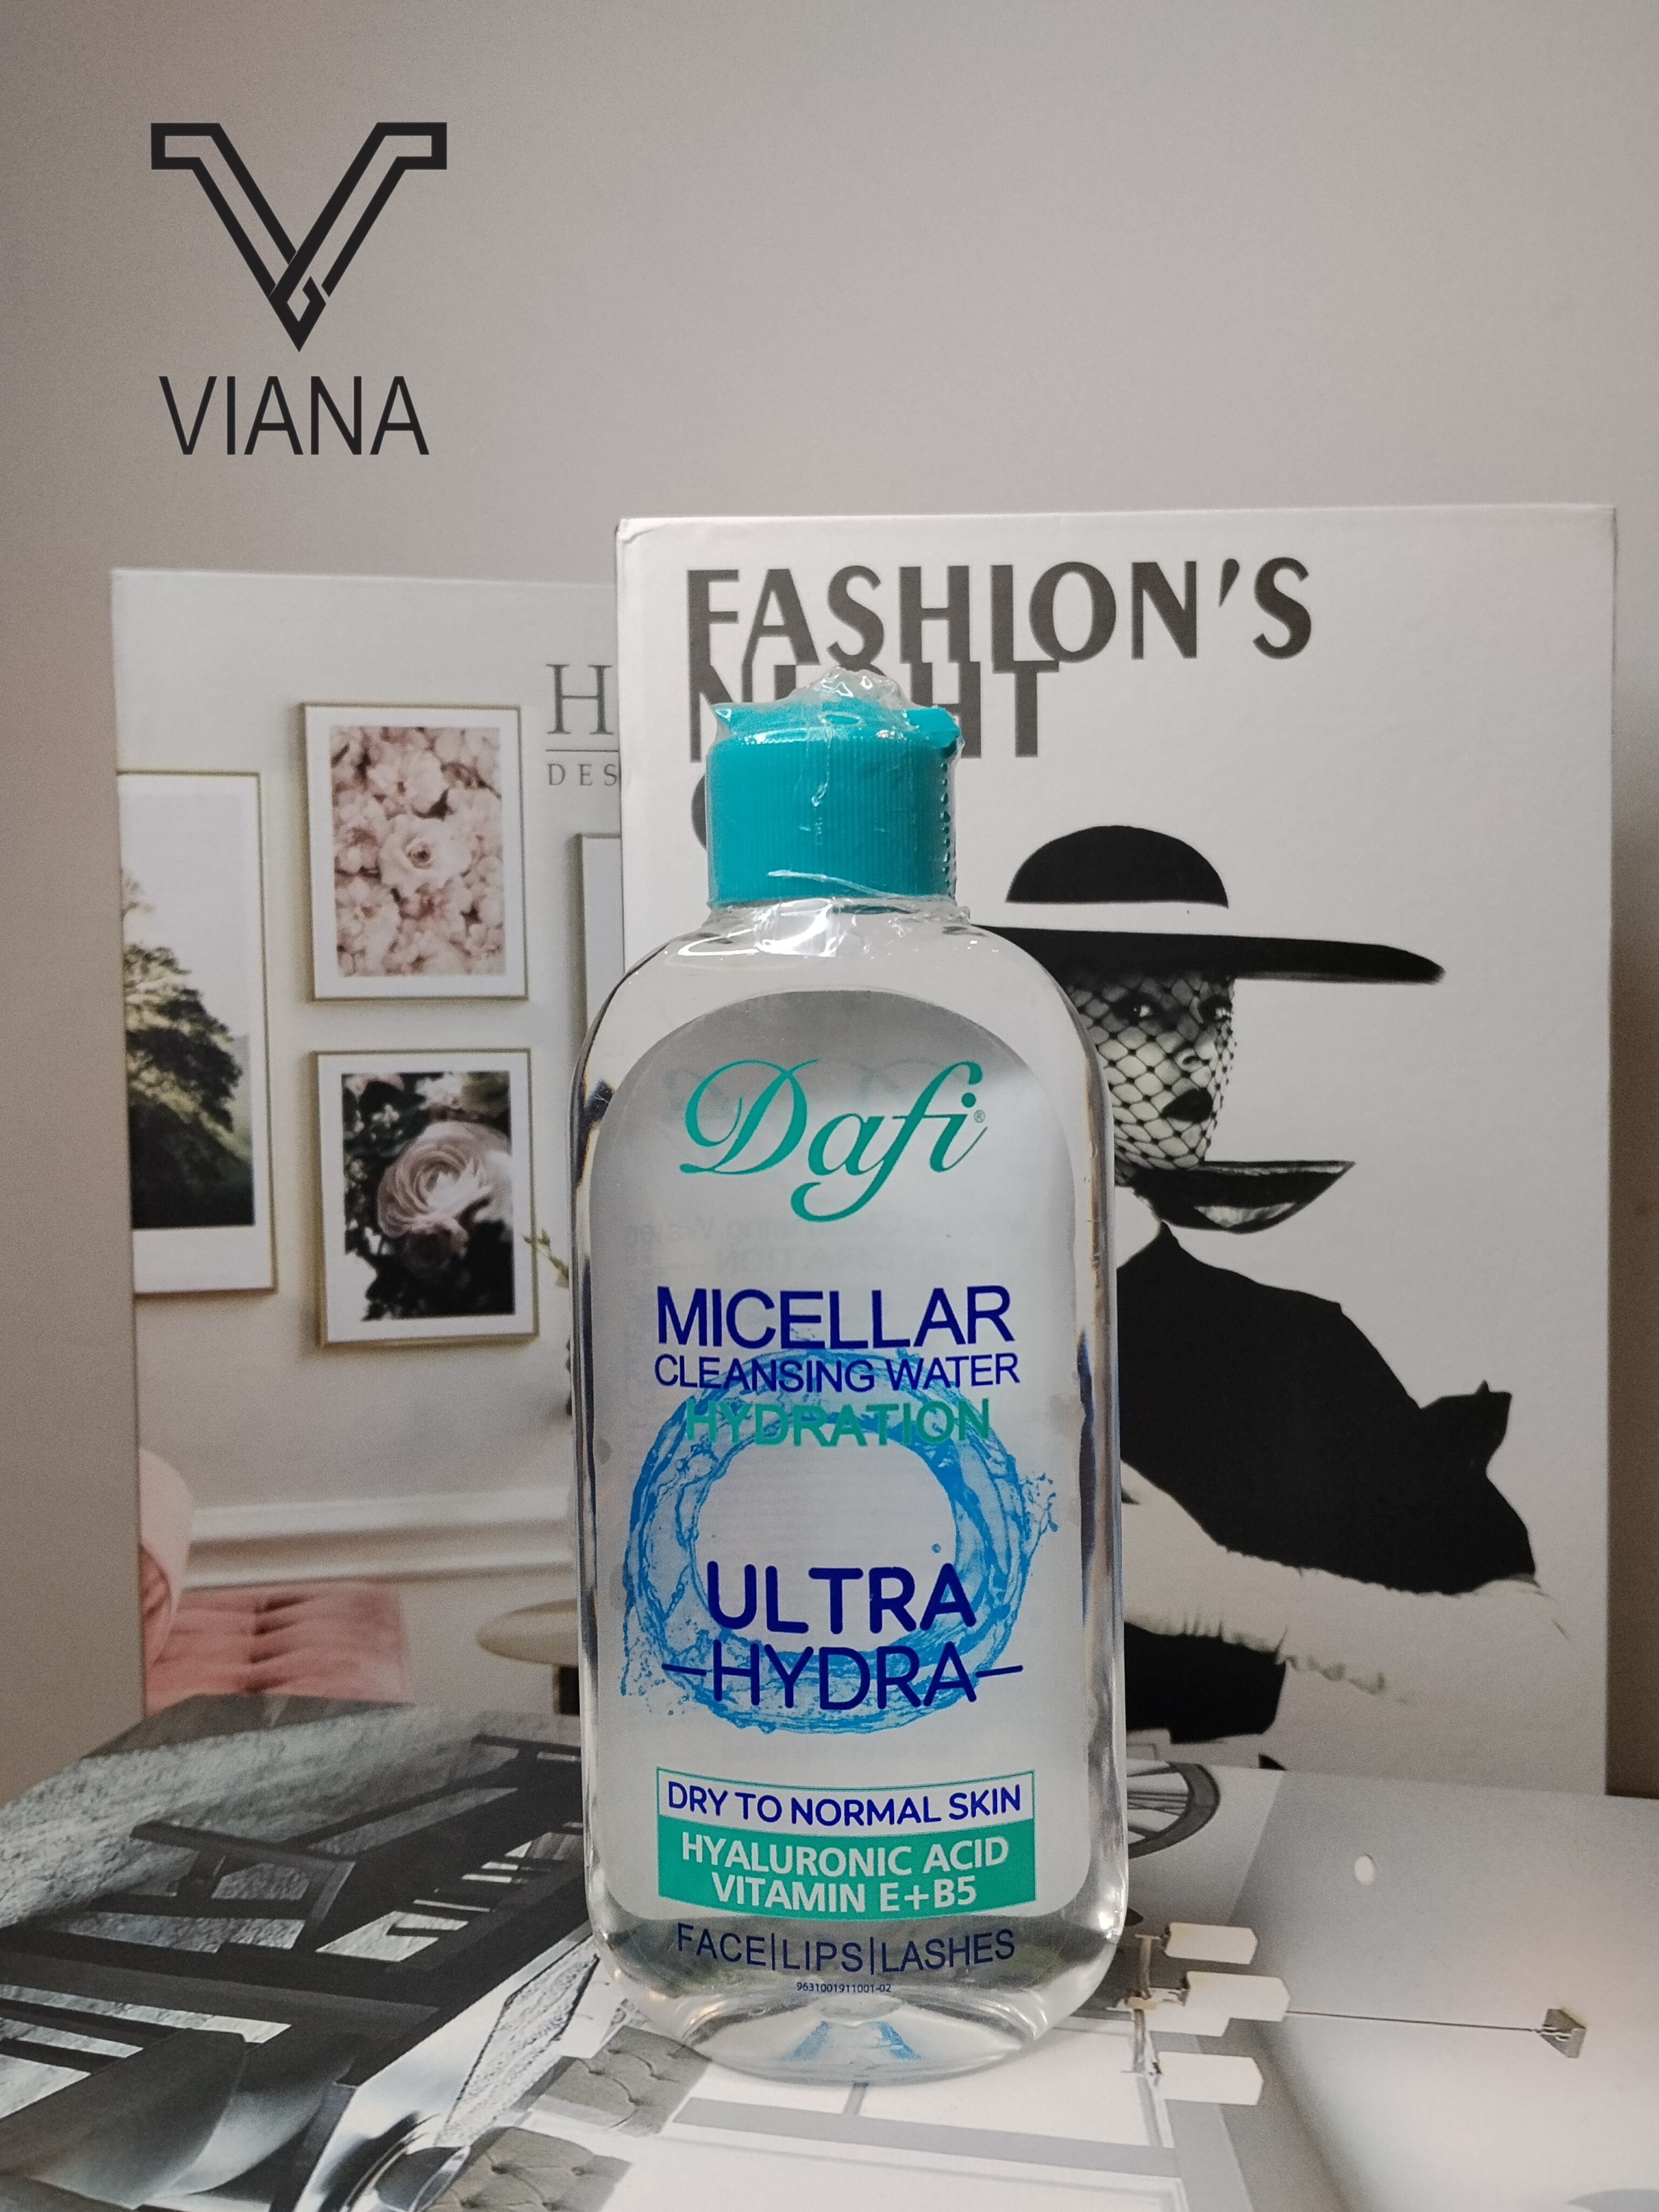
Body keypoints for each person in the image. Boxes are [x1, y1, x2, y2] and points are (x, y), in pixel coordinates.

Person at [1000, 825, 1555, 1751]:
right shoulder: (885, 1321)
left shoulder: (1284, 1344)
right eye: (1139, 1013)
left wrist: (1221, 1592)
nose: (1195, 1052)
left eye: (1214, 1012)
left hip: (1207, 1817)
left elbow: (1534, 1660)